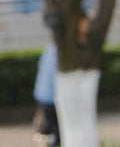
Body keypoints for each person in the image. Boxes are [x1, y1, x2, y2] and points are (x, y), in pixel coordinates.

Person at [33, 14, 90, 146]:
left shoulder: (54, 48)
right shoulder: (64, 53)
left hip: (43, 95)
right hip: (52, 98)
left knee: (54, 132)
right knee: (59, 135)